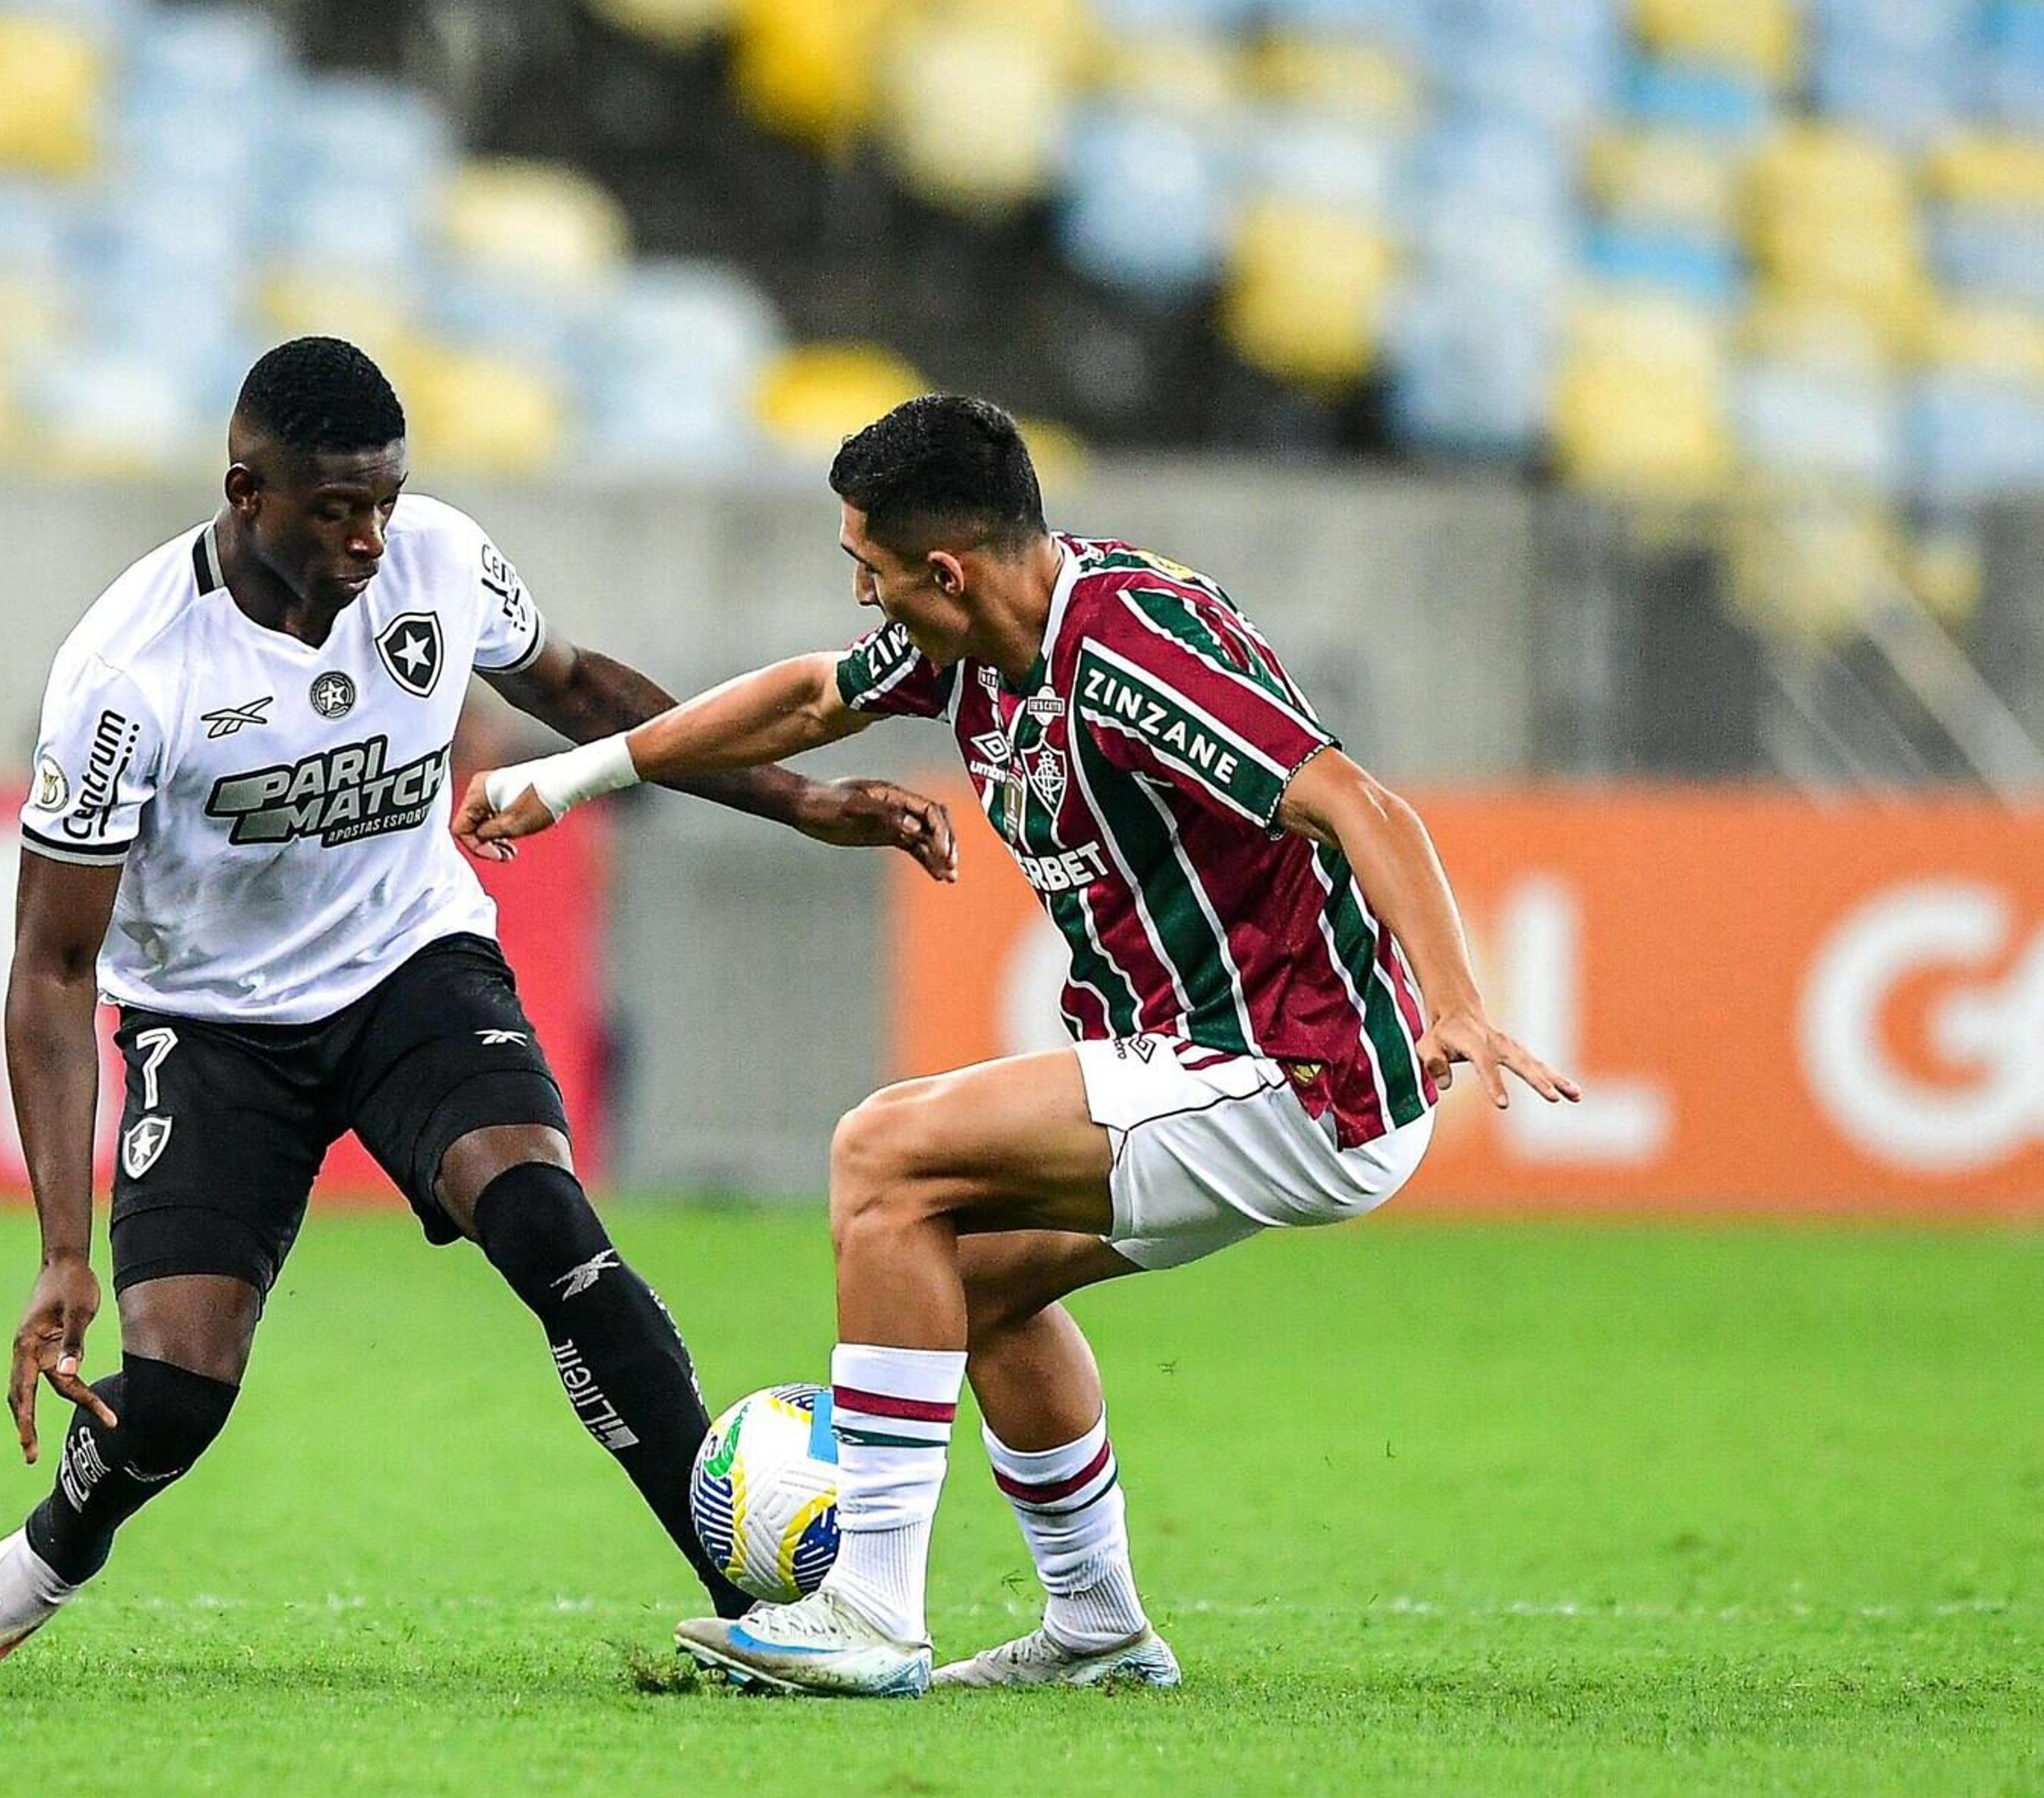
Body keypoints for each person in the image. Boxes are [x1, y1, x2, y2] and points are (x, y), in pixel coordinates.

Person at [457, 393, 1580, 1697]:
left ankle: (871, 1608)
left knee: (884, 1153)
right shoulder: (978, 637)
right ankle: (1099, 1625)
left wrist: (1453, 998)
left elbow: (1354, 799)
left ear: (947, 569)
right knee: (962, 1271)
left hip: (1289, 1067)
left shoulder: (1136, 650)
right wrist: (572, 777)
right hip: (1212, 1058)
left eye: (870, 575)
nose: (865, 604)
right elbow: (811, 699)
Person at [0, 337, 955, 1668]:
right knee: (173, 1395)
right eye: (336, 508)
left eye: (385, 499)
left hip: (411, 968)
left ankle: (773, 1618)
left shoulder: (439, 558)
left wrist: (803, 800)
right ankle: (44, 1560)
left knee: (551, 1229)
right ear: (246, 491)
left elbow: (576, 692)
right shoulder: (127, 672)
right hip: (213, 1027)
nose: (371, 537)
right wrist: (58, 1250)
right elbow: (50, 967)